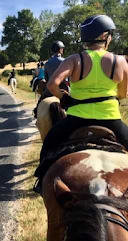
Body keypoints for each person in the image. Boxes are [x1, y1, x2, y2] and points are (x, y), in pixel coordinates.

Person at [34, 14, 128, 192]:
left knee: (50, 142)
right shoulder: (120, 61)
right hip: (110, 118)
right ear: (103, 36)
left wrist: (65, 99)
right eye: (110, 34)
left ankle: (40, 181)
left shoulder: (75, 59)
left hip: (77, 119)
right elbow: (123, 94)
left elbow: (53, 84)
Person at [33, 41, 67, 118]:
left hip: (50, 88)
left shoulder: (47, 63)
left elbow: (46, 78)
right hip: (64, 87)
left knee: (41, 99)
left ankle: (36, 112)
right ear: (60, 50)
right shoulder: (65, 61)